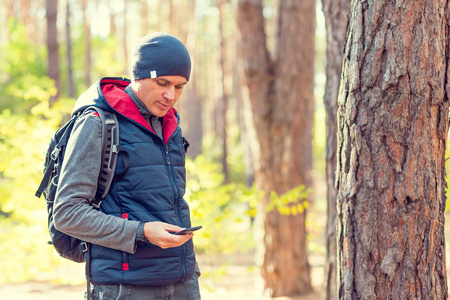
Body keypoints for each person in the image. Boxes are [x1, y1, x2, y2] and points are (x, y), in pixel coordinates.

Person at [53, 32, 201, 300]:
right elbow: (67, 213)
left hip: (183, 281)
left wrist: (191, 271)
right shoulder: (98, 124)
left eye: (179, 87)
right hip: (125, 288)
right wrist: (141, 232)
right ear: (139, 76)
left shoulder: (171, 126)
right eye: (162, 83)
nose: (171, 95)